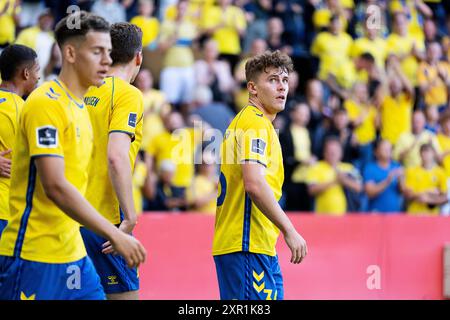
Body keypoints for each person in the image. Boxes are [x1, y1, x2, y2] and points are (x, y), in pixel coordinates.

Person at [0, 11, 146, 300]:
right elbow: (55, 186)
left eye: (109, 52)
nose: (107, 60)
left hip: (74, 249)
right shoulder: (46, 103)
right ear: (70, 53)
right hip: (34, 252)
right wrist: (115, 231)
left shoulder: (80, 107)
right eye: (97, 52)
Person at [213, 50, 307, 300]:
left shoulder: (256, 123)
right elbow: (253, 183)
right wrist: (289, 229)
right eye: (273, 80)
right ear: (253, 88)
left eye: (285, 81)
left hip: (255, 244)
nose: (281, 87)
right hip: (246, 244)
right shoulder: (254, 123)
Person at [82, 22, 144, 300]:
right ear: (138, 57)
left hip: (70, 215)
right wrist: (129, 218)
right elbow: (116, 156)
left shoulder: (83, 89)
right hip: (105, 221)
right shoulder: (127, 94)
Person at [0, 44, 40, 237]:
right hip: (7, 210)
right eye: (37, 71)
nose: (39, 77)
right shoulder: (25, 110)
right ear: (25, 73)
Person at [306, 137, 363, 215]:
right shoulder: (316, 167)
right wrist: (335, 181)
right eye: (330, 151)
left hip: (346, 216)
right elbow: (311, 190)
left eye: (335, 151)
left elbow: (359, 187)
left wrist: (345, 181)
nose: (332, 154)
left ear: (341, 152)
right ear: (324, 152)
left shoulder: (349, 168)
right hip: (321, 216)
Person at [403, 143, 448, 215]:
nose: (425, 154)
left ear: (433, 153)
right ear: (420, 154)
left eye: (428, 151)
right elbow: (408, 195)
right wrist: (427, 191)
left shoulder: (440, 173)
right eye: (423, 151)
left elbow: (445, 198)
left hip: (433, 215)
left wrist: (429, 200)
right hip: (414, 213)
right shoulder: (412, 172)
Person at [363, 139, 405, 213]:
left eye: (389, 148)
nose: (387, 151)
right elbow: (369, 192)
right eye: (384, 149)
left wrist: (401, 181)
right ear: (376, 152)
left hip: (394, 213)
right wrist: (387, 181)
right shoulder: (370, 168)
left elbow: (402, 192)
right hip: (376, 213)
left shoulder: (397, 166)